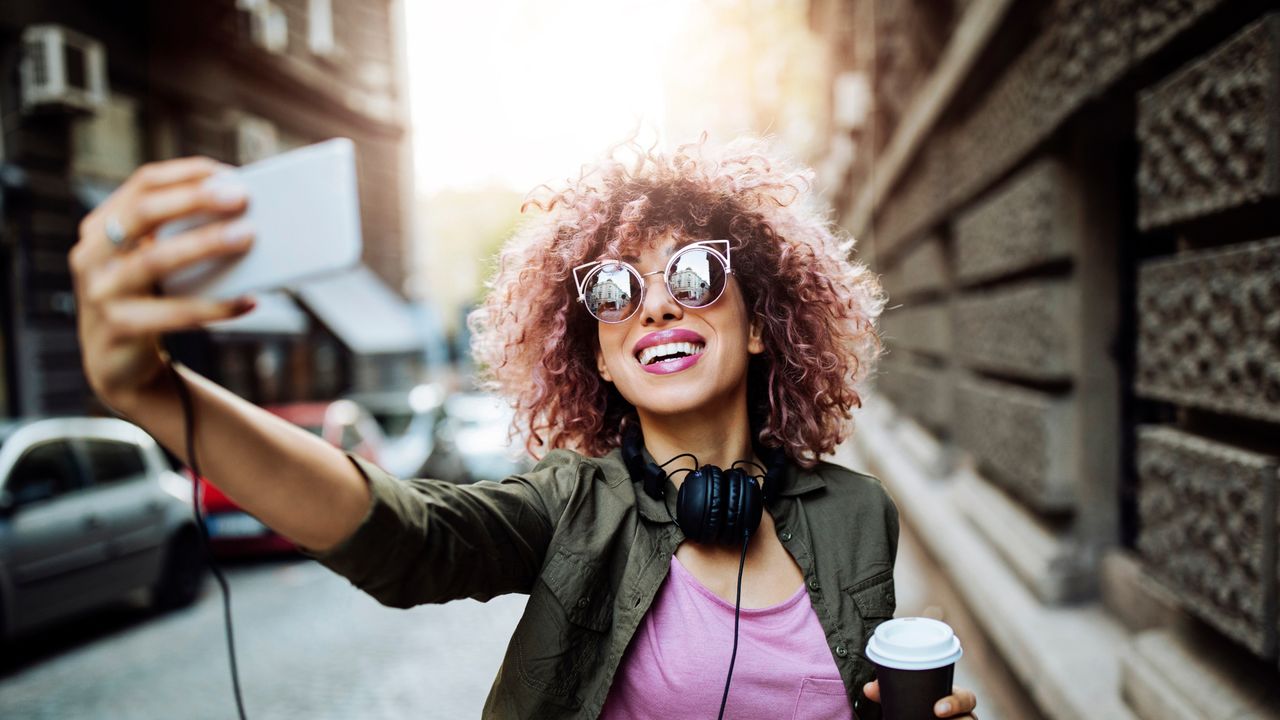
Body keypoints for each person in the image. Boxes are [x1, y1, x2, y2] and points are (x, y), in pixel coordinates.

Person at [71, 138, 979, 719]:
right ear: (602, 355)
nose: (654, 304)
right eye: (617, 292)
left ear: (757, 324)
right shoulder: (570, 504)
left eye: (695, 276)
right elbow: (406, 534)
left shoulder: (861, 514)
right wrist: (154, 393)